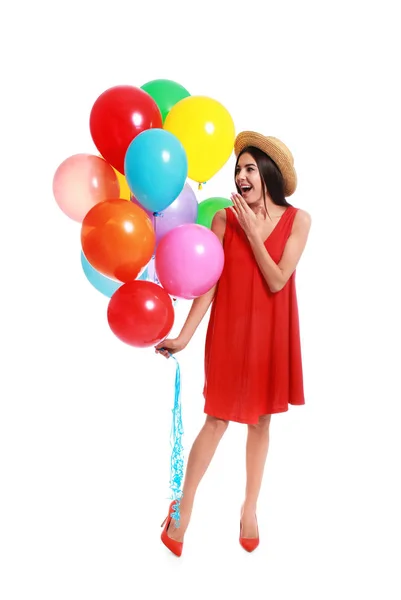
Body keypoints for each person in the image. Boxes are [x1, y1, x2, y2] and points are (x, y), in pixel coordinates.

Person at [156, 131, 312, 556]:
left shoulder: (299, 220)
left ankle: (249, 510)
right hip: (229, 331)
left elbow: (278, 279)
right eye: (237, 169)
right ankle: (182, 517)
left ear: (267, 174)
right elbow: (209, 286)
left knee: (261, 421)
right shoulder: (223, 219)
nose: (240, 175)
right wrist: (184, 337)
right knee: (217, 420)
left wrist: (255, 232)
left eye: (248, 168)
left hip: (272, 334)